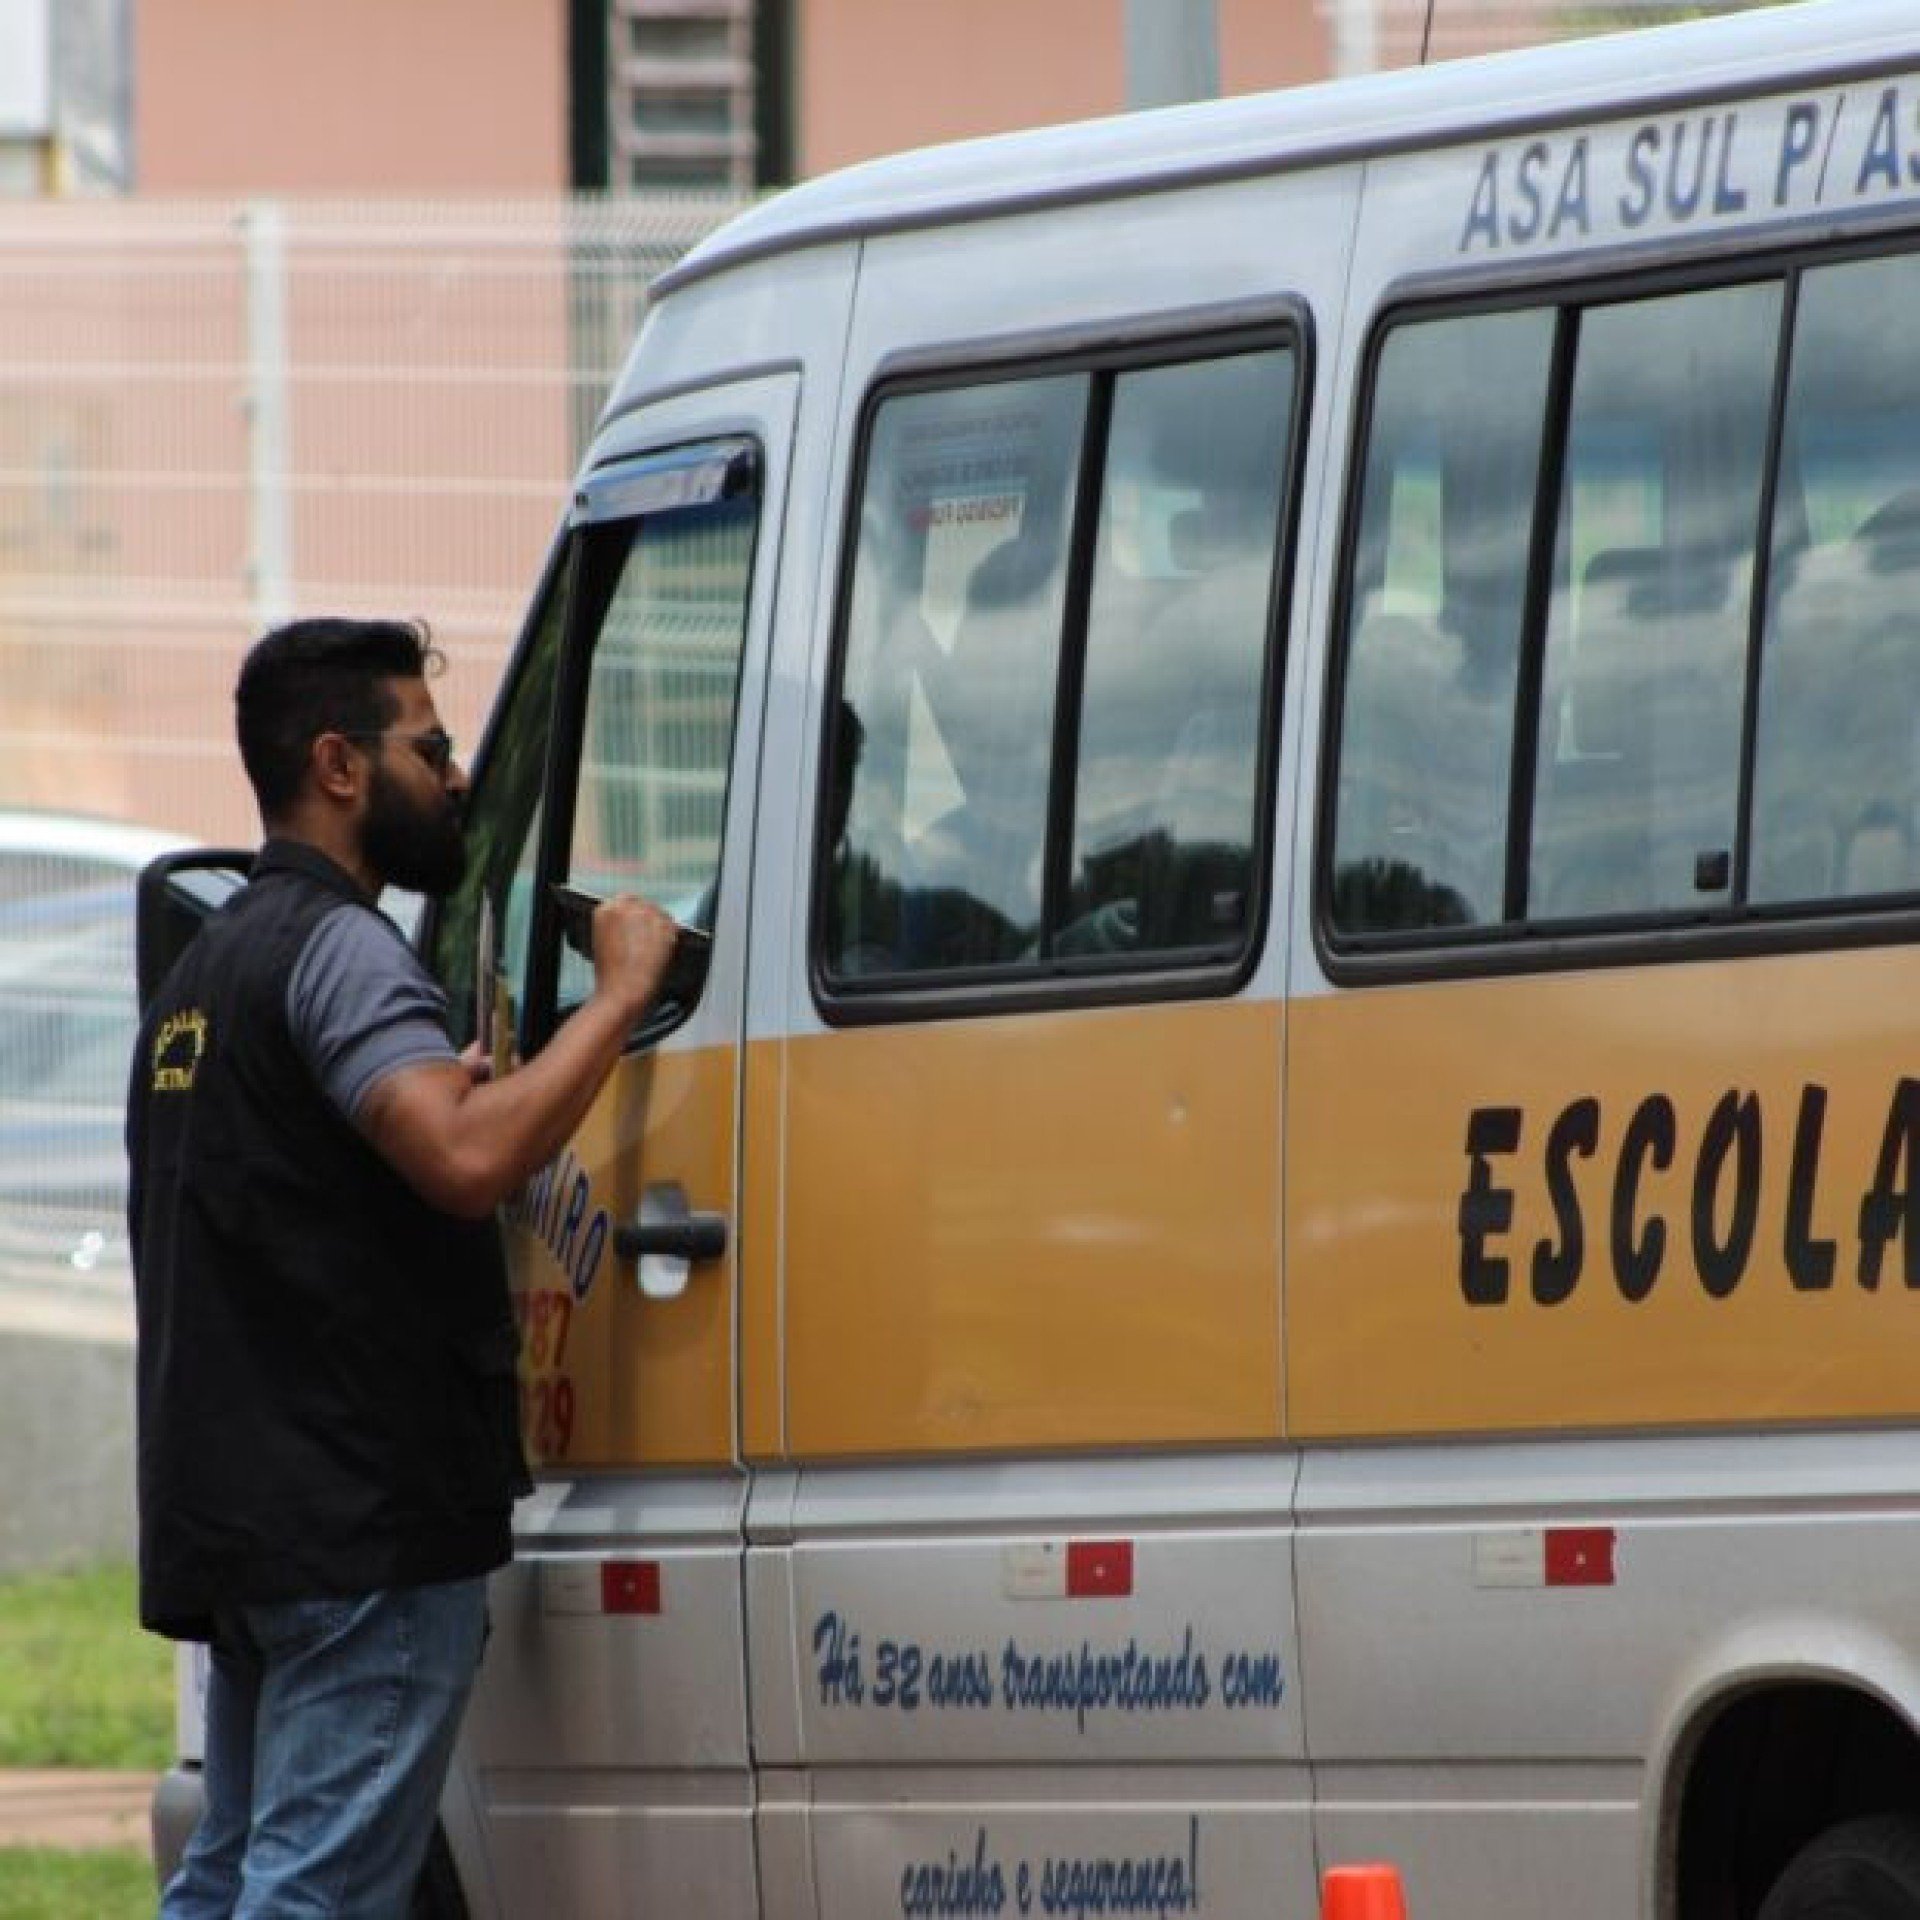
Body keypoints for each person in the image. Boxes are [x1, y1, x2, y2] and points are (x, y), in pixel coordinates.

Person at [126, 617, 678, 1919]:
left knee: (227, 1879)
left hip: (250, 1534)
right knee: (311, 1897)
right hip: (357, 1534)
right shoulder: (344, 950)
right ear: (339, 764)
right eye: (429, 747)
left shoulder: (205, 975)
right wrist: (616, 997)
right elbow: (465, 1158)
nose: (458, 776)